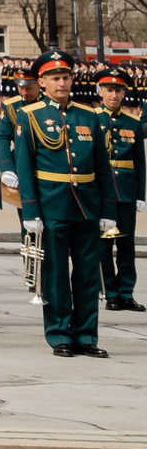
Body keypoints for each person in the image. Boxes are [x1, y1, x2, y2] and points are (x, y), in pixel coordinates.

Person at [5, 48, 113, 357]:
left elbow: (102, 167)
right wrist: (30, 209)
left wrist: (107, 209)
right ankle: (60, 333)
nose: (62, 83)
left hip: (86, 206)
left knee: (88, 274)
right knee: (54, 276)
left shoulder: (88, 115)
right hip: (51, 206)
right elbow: (24, 166)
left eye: (66, 77)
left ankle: (87, 335)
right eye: (55, 78)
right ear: (42, 81)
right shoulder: (30, 115)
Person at [96, 66, 142, 313]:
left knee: (126, 244)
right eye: (109, 89)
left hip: (125, 190)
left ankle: (126, 292)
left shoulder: (132, 122)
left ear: (124, 93)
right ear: (101, 91)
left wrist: (141, 195)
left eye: (118, 90)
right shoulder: (92, 118)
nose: (113, 95)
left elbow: (140, 162)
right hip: (103, 193)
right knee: (104, 244)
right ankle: (109, 292)